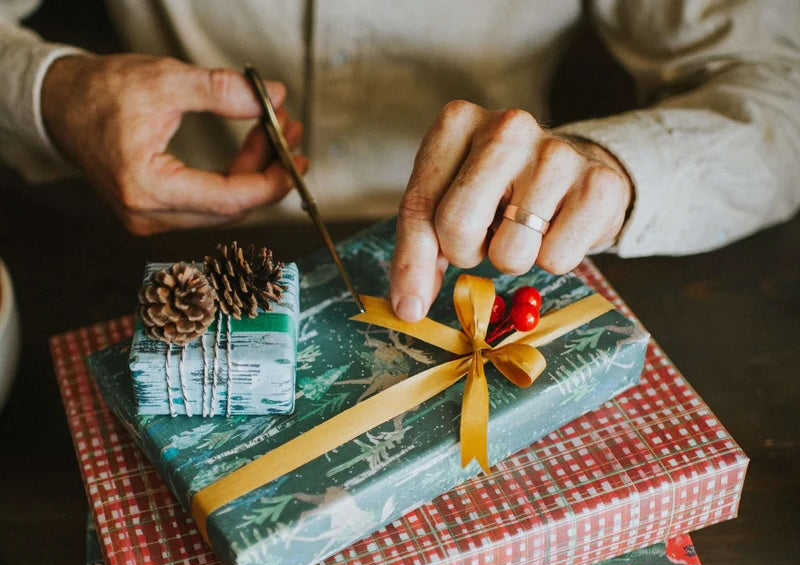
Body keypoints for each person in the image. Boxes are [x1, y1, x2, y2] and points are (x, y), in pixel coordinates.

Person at [1, 0, 799, 322]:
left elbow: (780, 85)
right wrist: (49, 92)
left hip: (493, 249)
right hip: (131, 257)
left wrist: (619, 169)